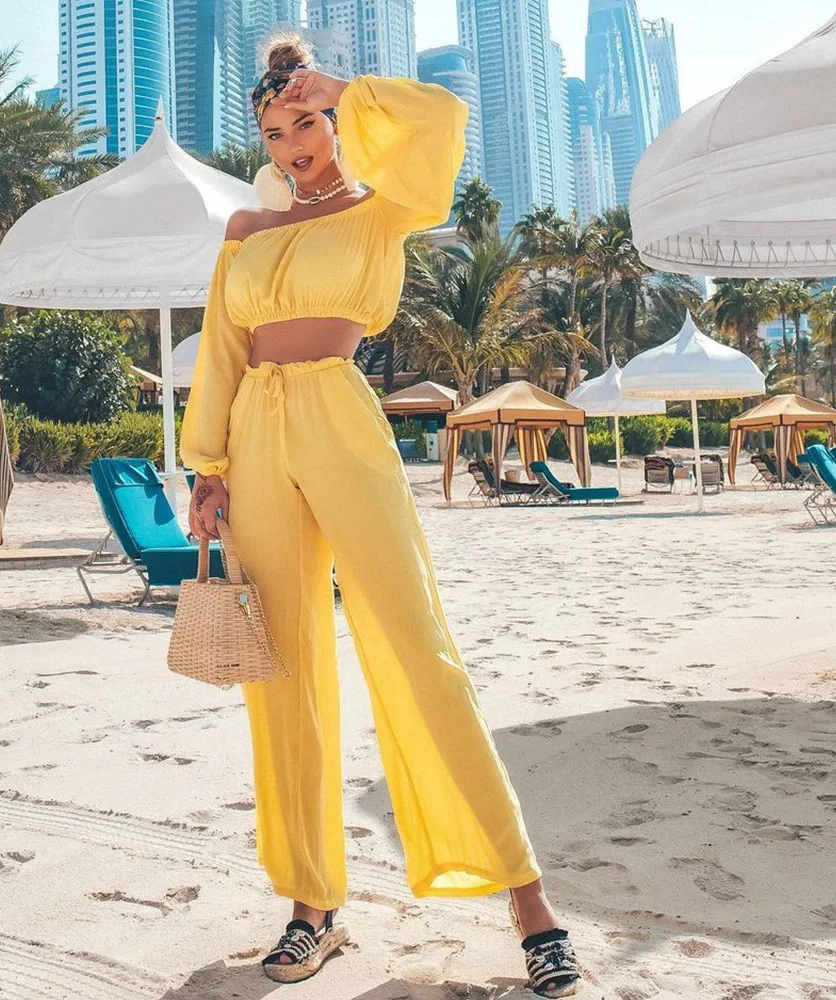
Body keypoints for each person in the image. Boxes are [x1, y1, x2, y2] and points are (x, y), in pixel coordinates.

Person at [179, 31, 581, 998]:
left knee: (416, 644)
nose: (293, 146)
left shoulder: (386, 208)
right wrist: (207, 470)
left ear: (336, 120)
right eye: (276, 134)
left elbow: (442, 118)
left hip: (340, 417)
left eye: (306, 124)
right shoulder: (244, 230)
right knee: (282, 669)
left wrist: (343, 84)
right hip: (254, 436)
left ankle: (529, 901)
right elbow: (223, 348)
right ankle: (311, 907)